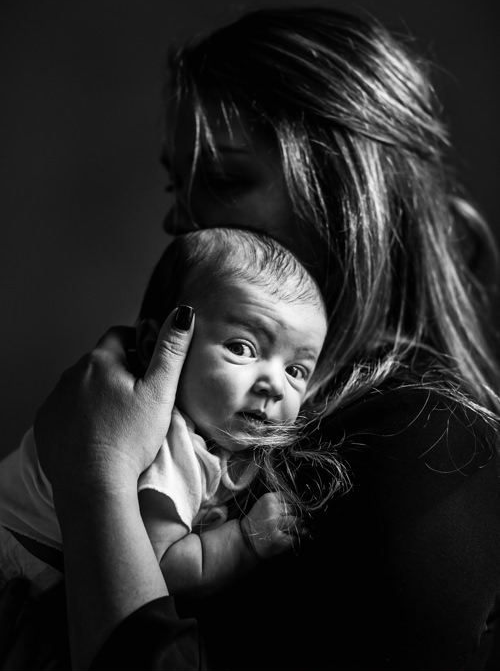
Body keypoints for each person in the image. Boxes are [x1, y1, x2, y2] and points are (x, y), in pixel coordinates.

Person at [5, 5, 500, 671]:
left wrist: (96, 482)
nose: (180, 220)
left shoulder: (432, 450)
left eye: (226, 178)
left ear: (349, 193)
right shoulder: (217, 419)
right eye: (179, 184)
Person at [0, 227, 344, 598]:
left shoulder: (216, 434)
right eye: (242, 348)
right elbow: (155, 571)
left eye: (296, 371)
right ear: (157, 343)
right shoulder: (168, 445)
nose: (275, 385)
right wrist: (245, 541)